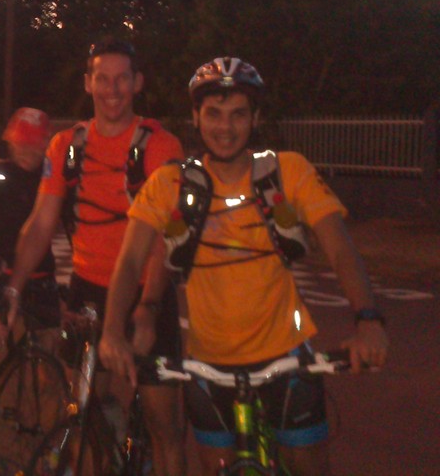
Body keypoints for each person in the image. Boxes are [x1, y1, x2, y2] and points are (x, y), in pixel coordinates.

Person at [99, 57, 390, 476]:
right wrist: (112, 331)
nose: (225, 126)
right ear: (196, 117)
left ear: (255, 119)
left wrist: (368, 320)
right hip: (208, 368)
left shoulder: (289, 171)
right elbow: (129, 261)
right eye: (213, 113)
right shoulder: (169, 183)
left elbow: (340, 250)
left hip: (286, 360)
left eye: (238, 114)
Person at [4, 38, 187, 476]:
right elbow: (40, 223)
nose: (112, 89)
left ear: (137, 83)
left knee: (165, 427)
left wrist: (148, 310)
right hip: (87, 292)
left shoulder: (161, 146)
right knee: (80, 413)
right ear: (88, 83)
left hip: (146, 293)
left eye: (122, 79)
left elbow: (166, 238)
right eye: (102, 79)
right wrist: (13, 288)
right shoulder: (66, 146)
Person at [0, 107, 60, 407]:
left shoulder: (53, 179)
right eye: (21, 143)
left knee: (50, 369)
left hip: (40, 274)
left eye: (34, 144)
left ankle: (46, 432)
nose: (27, 150)